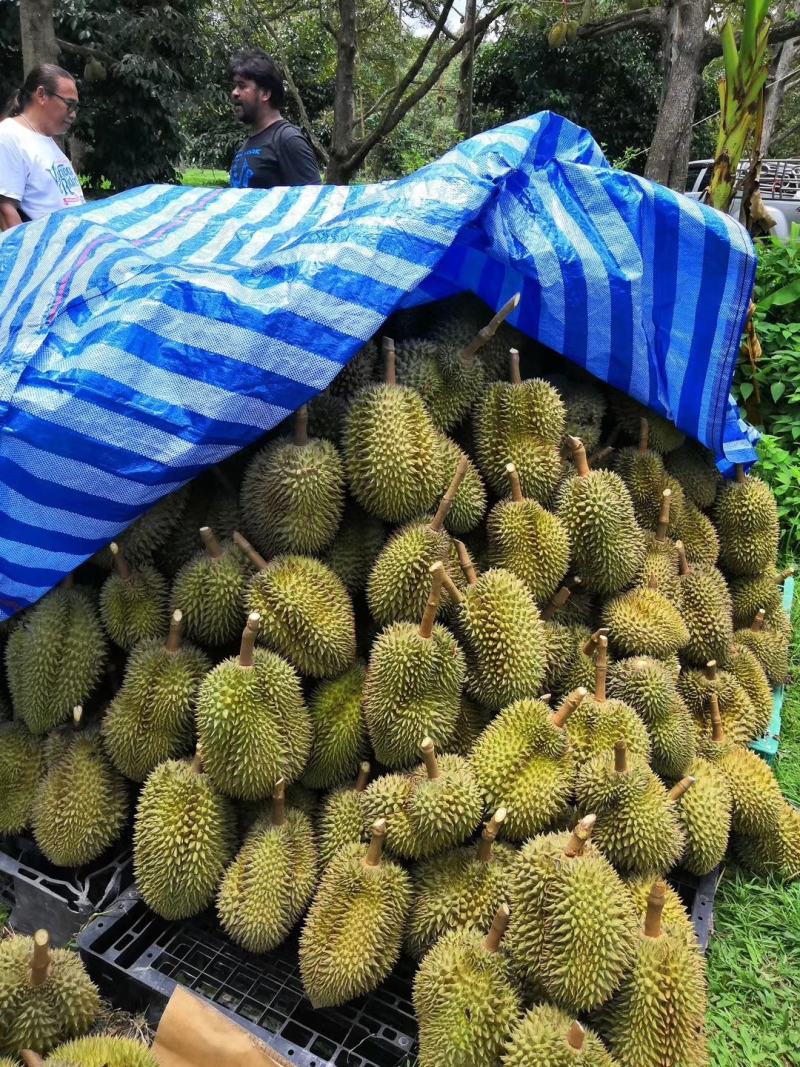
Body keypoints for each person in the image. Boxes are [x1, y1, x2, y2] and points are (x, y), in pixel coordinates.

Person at [0, 64, 84, 231]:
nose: (73, 114)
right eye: (69, 104)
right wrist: (27, 256)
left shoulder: (45, 139)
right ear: (41, 95)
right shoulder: (8, 136)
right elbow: (4, 209)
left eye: (76, 107)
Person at [229, 49, 321, 190]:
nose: (234, 93)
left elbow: (314, 204)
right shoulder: (247, 145)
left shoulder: (288, 140)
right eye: (235, 86)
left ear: (265, 93)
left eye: (242, 86)